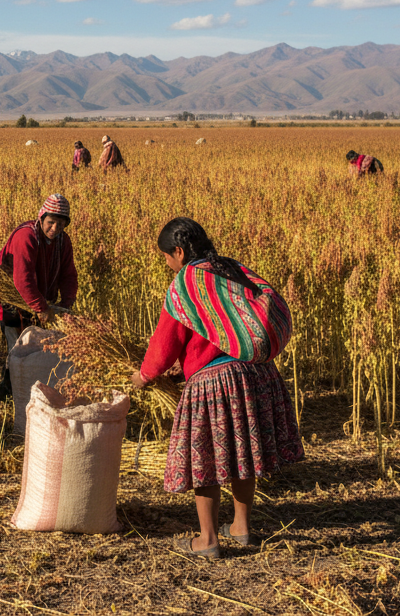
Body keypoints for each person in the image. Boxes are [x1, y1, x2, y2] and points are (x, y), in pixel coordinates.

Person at [130, 217, 303, 559]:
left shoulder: (186, 281)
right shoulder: (232, 269)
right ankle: (241, 528)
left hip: (216, 383)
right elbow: (223, 328)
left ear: (179, 251)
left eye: (167, 257)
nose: (167, 264)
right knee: (242, 456)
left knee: (204, 459)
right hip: (256, 376)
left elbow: (166, 341)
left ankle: (207, 539)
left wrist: (145, 375)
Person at [0, 194, 78, 402]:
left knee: (35, 349)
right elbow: (23, 279)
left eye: (60, 224)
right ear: (41, 218)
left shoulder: (63, 241)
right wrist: (41, 307)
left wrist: (65, 306)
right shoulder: (26, 237)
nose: (55, 229)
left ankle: (19, 393)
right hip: (12, 303)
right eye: (51, 223)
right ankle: (7, 394)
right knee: (18, 349)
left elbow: (69, 275)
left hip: (38, 302)